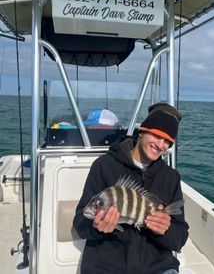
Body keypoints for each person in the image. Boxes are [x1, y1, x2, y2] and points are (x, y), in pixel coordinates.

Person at [73, 103, 189, 274]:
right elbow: (80, 223)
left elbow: (179, 238)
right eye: (157, 135)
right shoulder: (104, 166)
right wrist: (96, 227)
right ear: (142, 131)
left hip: (158, 268)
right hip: (106, 267)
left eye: (168, 142)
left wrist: (165, 230)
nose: (161, 145)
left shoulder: (170, 177)